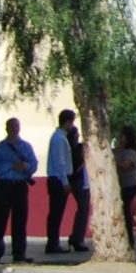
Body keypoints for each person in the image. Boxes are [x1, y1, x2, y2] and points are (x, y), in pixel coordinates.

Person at [0, 117, 38, 264]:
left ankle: (19, 253)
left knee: (20, 221)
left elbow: (34, 164)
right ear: (6, 128)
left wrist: (26, 167)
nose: (14, 129)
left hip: (20, 186)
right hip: (3, 185)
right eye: (12, 126)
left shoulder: (26, 147)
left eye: (17, 126)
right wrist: (10, 165)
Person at [44, 109, 92, 255]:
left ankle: (54, 243)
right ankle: (53, 244)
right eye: (72, 122)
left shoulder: (61, 137)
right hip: (58, 180)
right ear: (68, 122)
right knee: (56, 213)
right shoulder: (60, 139)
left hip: (59, 179)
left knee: (57, 213)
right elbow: (60, 163)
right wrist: (65, 181)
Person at [112, 127, 136, 242]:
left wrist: (113, 161)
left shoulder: (131, 152)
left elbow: (125, 165)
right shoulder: (116, 150)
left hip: (129, 184)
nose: (120, 138)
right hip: (119, 184)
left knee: (125, 209)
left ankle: (129, 238)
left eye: (123, 136)